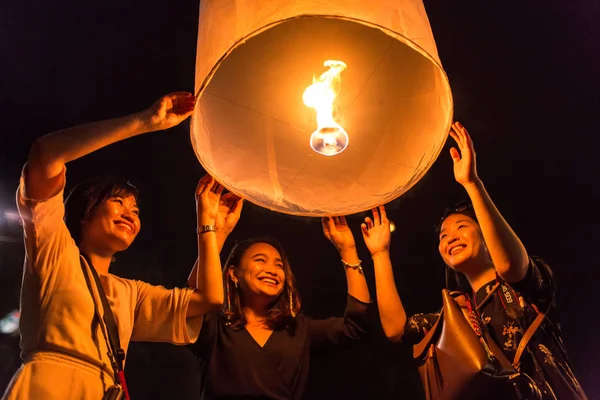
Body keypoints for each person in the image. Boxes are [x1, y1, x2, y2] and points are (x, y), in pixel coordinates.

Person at [3, 92, 217, 400]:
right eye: (118, 202)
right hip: (50, 386)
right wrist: (143, 122)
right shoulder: (55, 249)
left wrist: (210, 224)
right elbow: (45, 154)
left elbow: (207, 298)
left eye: (136, 210)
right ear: (85, 213)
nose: (130, 213)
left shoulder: (130, 293)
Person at [373, 121, 587, 399]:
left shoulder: (526, 285)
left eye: (462, 227)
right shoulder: (457, 314)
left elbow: (510, 267)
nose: (450, 237)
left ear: (486, 237)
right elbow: (396, 329)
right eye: (443, 236)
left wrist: (472, 184)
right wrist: (379, 254)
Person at [186, 175, 390, 400]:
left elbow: (356, 326)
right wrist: (217, 234)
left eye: (279, 265)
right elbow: (191, 302)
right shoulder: (217, 329)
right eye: (260, 260)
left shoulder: (297, 330)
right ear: (234, 274)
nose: (272, 270)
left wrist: (348, 249)